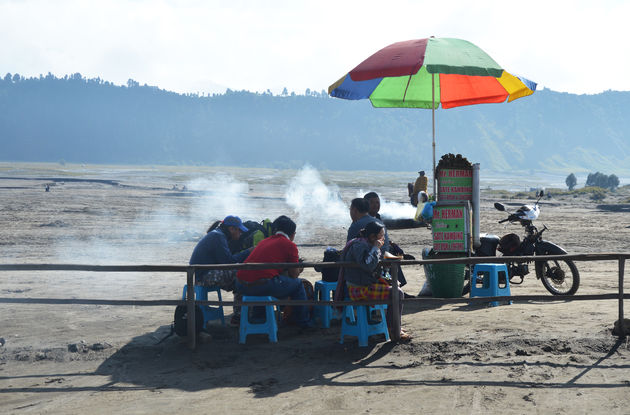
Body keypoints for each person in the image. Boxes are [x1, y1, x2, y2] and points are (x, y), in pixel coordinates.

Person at [339, 221, 411, 342]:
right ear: (372, 237)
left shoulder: (366, 243)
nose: (383, 238)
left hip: (366, 284)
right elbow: (367, 265)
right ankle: (393, 330)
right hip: (358, 289)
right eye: (381, 236)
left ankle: (394, 326)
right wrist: (375, 248)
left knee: (395, 288)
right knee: (397, 293)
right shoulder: (360, 246)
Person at [235, 215, 311, 328]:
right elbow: (294, 275)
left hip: (240, 284)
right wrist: (299, 268)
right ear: (293, 234)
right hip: (260, 284)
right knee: (298, 284)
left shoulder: (264, 241)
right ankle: (303, 323)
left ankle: (259, 318)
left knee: (264, 282)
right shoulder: (290, 245)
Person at [189, 215, 252, 325]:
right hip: (204, 276)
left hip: (201, 274)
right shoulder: (218, 237)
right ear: (232, 229)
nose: (241, 234)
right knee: (243, 274)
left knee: (239, 277)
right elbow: (229, 262)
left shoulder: (217, 234)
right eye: (240, 231)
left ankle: (240, 314)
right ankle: (240, 315)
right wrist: (248, 251)